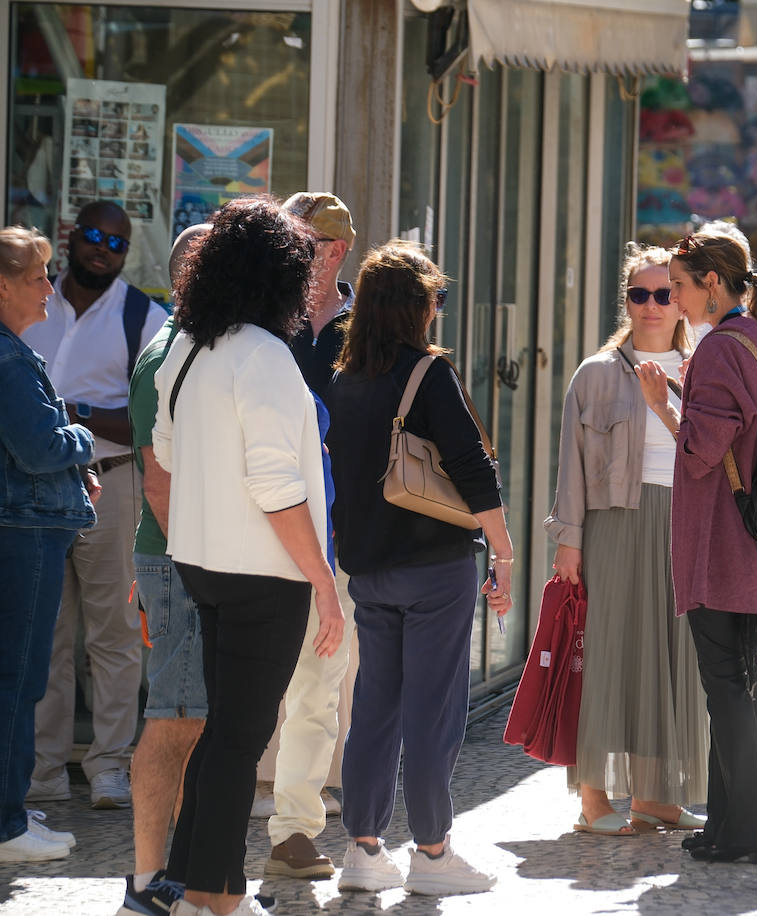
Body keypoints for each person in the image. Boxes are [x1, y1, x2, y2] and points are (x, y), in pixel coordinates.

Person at [152, 196, 344, 916]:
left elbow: (164, 456)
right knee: (239, 738)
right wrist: (323, 582)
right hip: (262, 573)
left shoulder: (188, 346)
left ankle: (192, 890)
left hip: (206, 563)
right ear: (281, 277)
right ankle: (216, 898)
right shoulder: (262, 356)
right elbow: (275, 486)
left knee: (226, 732)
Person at [325, 241, 511, 895]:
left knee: (374, 707)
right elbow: (472, 466)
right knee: (432, 712)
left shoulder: (344, 381)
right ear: (414, 306)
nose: (439, 308)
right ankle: (431, 854)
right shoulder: (428, 374)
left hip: (369, 569)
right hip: (435, 567)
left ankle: (362, 848)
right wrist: (506, 554)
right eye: (436, 297)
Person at [635, 231, 757, 865]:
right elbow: (745, 430)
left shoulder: (719, 349)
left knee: (725, 683)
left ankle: (752, 831)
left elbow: (703, 450)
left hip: (722, 540)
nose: (671, 298)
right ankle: (728, 823)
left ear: (711, 282)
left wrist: (660, 404)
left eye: (677, 285)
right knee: (742, 681)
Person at [546, 243, 708, 836]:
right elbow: (570, 464)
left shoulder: (702, 367)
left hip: (684, 525)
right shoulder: (596, 373)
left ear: (683, 300)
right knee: (611, 654)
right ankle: (593, 799)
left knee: (670, 655)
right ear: (626, 301)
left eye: (665, 294)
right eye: (639, 294)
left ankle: (655, 797)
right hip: (615, 524)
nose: (652, 305)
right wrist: (569, 541)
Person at [23, 201, 165, 809]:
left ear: (124, 254)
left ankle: (109, 766)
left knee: (111, 635)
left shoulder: (143, 316)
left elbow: (150, 421)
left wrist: (75, 413)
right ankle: (43, 771)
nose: (101, 248)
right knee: (46, 635)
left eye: (115, 241)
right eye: (92, 236)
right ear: (70, 238)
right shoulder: (32, 303)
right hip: (32, 489)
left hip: (111, 483)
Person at [258, 190, 358, 879]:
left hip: (339, 534)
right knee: (245, 683)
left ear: (339, 250)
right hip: (261, 527)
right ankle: (207, 814)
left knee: (319, 686)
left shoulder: (372, 327)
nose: (299, 257)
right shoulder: (259, 322)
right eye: (291, 243)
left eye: (311, 245)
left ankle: (294, 825)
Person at [121, 223, 213, 915]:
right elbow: (159, 483)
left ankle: (178, 874)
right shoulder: (165, 358)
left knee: (192, 719)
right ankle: (149, 883)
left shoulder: (192, 348)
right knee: (174, 720)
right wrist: (199, 569)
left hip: (180, 561)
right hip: (182, 562)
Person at [0, 226, 94, 862]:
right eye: (36, 278)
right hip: (24, 534)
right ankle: (7, 826)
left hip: (27, 528)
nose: (48, 290)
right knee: (19, 678)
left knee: (20, 675)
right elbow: (40, 448)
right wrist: (81, 439)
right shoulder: (7, 359)